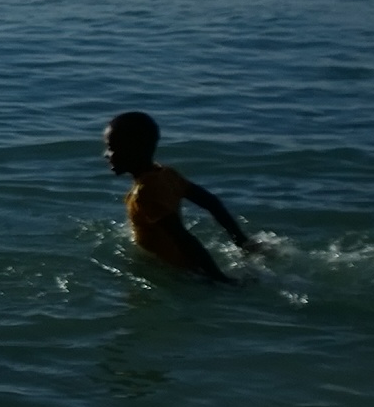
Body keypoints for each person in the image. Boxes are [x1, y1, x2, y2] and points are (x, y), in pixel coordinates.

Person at [103, 111, 261, 282]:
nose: (106, 154)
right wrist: (241, 241)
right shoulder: (166, 174)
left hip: (176, 272)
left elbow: (183, 237)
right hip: (184, 266)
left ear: (132, 150)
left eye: (111, 148)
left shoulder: (144, 194)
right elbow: (210, 202)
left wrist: (219, 278)